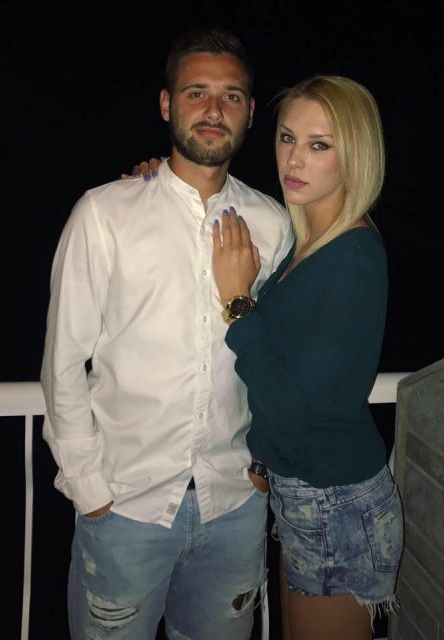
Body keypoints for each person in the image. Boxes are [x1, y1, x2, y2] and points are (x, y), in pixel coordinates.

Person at [40, 27, 294, 640]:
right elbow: (64, 361)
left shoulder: (272, 223)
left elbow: (282, 358)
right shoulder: (105, 214)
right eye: (196, 92)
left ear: (250, 113)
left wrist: (265, 463)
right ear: (166, 104)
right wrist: (90, 488)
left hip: (235, 505)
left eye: (231, 96)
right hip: (125, 508)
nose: (213, 109)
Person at [209, 75, 404, 640]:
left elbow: (293, 406)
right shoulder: (308, 241)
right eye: (287, 137)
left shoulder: (354, 259)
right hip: (304, 491)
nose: (294, 159)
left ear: (355, 157)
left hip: (337, 504)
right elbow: (296, 374)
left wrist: (238, 303)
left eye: (319, 145)